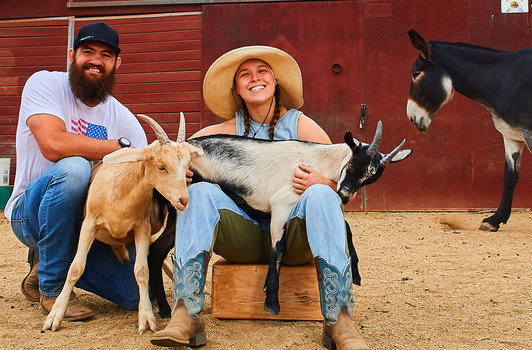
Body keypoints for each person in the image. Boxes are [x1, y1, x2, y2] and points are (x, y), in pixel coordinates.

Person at [150, 46, 369, 350]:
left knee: (320, 193)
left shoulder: (301, 125)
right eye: (245, 75)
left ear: (275, 81)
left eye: (262, 71)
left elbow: (351, 184)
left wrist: (326, 183)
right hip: (243, 238)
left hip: (296, 239)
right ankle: (186, 314)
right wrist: (182, 173)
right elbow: (171, 159)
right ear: (237, 88)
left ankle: (339, 320)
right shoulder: (222, 132)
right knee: (199, 192)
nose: (255, 78)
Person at [6, 22, 148, 320]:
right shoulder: (44, 84)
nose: (96, 60)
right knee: (74, 168)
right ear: (72, 54)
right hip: (30, 212)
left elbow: (143, 172)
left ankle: (44, 263)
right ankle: (53, 288)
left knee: (132, 293)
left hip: (89, 222)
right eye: (88, 51)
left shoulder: (124, 117)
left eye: (105, 55)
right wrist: (118, 148)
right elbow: (53, 145)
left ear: (116, 63)